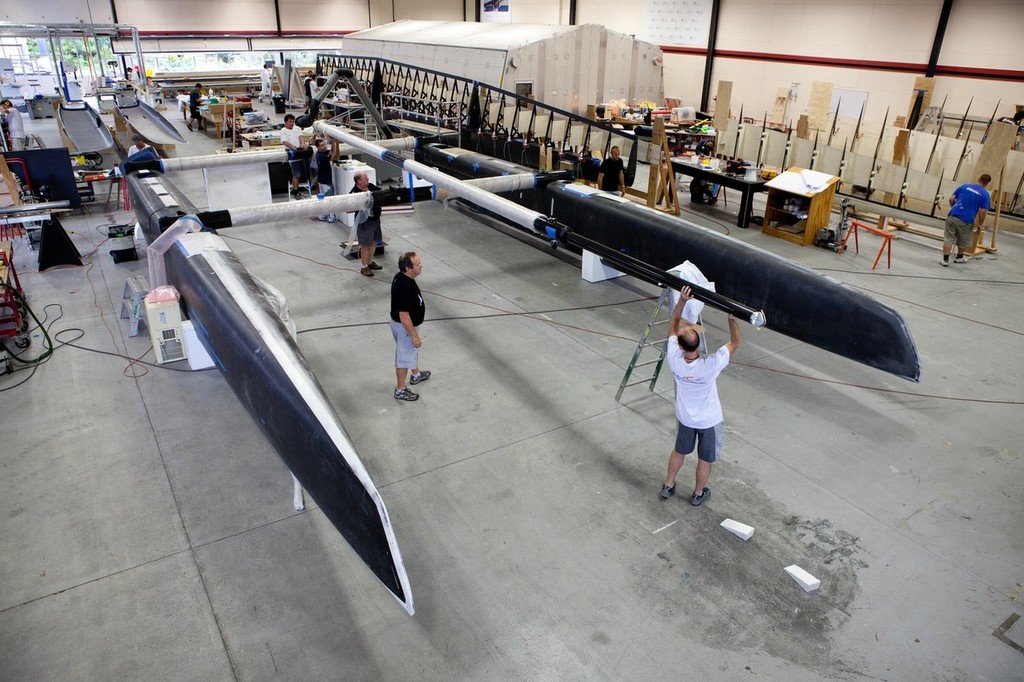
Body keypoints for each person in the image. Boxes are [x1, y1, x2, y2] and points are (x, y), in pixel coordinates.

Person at [660, 286, 740, 506]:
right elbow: (734, 343)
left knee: (679, 451)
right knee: (705, 459)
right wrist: (732, 320)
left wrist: (682, 301)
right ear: (697, 344)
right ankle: (697, 493)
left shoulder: (674, 359)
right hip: (709, 421)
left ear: (680, 345)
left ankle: (668, 485)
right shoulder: (710, 365)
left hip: (685, 418)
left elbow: (673, 326)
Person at [390, 252, 430, 401]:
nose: (421, 266)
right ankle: (400, 390)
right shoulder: (405, 286)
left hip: (405, 326)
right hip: (405, 328)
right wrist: (414, 335)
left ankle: (416, 374)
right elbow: (404, 316)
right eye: (417, 264)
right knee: (403, 358)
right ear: (408, 268)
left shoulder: (402, 277)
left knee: (409, 351)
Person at [941, 174, 991, 266]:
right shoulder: (985, 194)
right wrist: (980, 224)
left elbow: (951, 198)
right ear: (986, 183)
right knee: (963, 239)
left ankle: (945, 260)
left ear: (979, 179)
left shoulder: (965, 186)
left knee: (948, 238)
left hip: (953, 215)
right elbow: (983, 211)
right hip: (967, 220)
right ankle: (959, 257)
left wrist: (954, 208)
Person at [350, 171, 384, 276]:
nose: (368, 179)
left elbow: (381, 193)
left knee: (374, 242)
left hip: (375, 220)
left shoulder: (371, 186)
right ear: (359, 181)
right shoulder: (354, 193)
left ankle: (370, 262)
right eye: (365, 178)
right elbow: (349, 208)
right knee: (365, 246)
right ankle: (364, 267)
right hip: (365, 223)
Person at [279, 113, 310, 198]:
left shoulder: (297, 128)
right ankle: (295, 191)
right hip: (293, 156)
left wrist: (303, 144)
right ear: (285, 122)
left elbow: (301, 137)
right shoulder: (283, 130)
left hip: (300, 153)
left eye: (293, 121)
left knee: (302, 174)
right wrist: (292, 146)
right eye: (290, 122)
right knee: (296, 175)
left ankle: (296, 190)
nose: (292, 123)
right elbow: (284, 141)